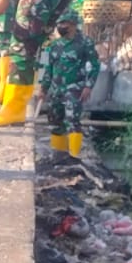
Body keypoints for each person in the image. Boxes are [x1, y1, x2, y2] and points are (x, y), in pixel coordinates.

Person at [40, 13, 101, 161]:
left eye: (64, 24)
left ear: (73, 24)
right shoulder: (55, 45)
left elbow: (95, 65)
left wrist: (88, 86)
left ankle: (74, 157)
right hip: (56, 89)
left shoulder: (85, 43)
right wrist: (44, 88)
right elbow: (49, 68)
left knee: (72, 121)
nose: (61, 27)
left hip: (74, 88)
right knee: (55, 122)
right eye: (59, 24)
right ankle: (58, 157)